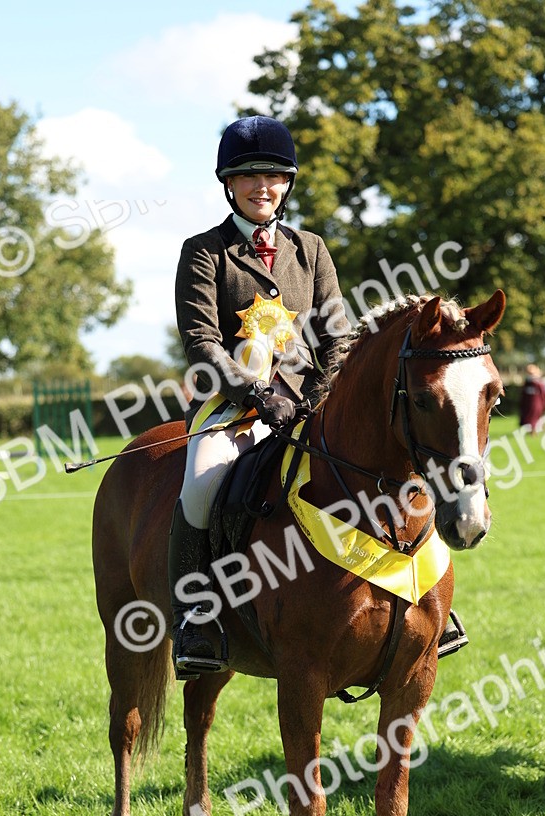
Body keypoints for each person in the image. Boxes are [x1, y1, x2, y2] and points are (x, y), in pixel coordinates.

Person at [170, 116, 351, 679]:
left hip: (305, 405)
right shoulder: (204, 252)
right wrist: (254, 391)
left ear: (288, 183)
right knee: (200, 484)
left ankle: (427, 604)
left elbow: (337, 334)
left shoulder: (311, 248)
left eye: (273, 175)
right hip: (231, 409)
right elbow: (201, 339)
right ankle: (196, 617)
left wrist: (318, 398)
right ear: (229, 184)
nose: (262, 187)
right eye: (248, 176)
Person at [519, 363, 545, 434]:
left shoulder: (537, 383)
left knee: (534, 417)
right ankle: (531, 430)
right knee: (530, 417)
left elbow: (543, 394)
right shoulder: (528, 383)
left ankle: (534, 430)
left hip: (536, 403)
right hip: (530, 403)